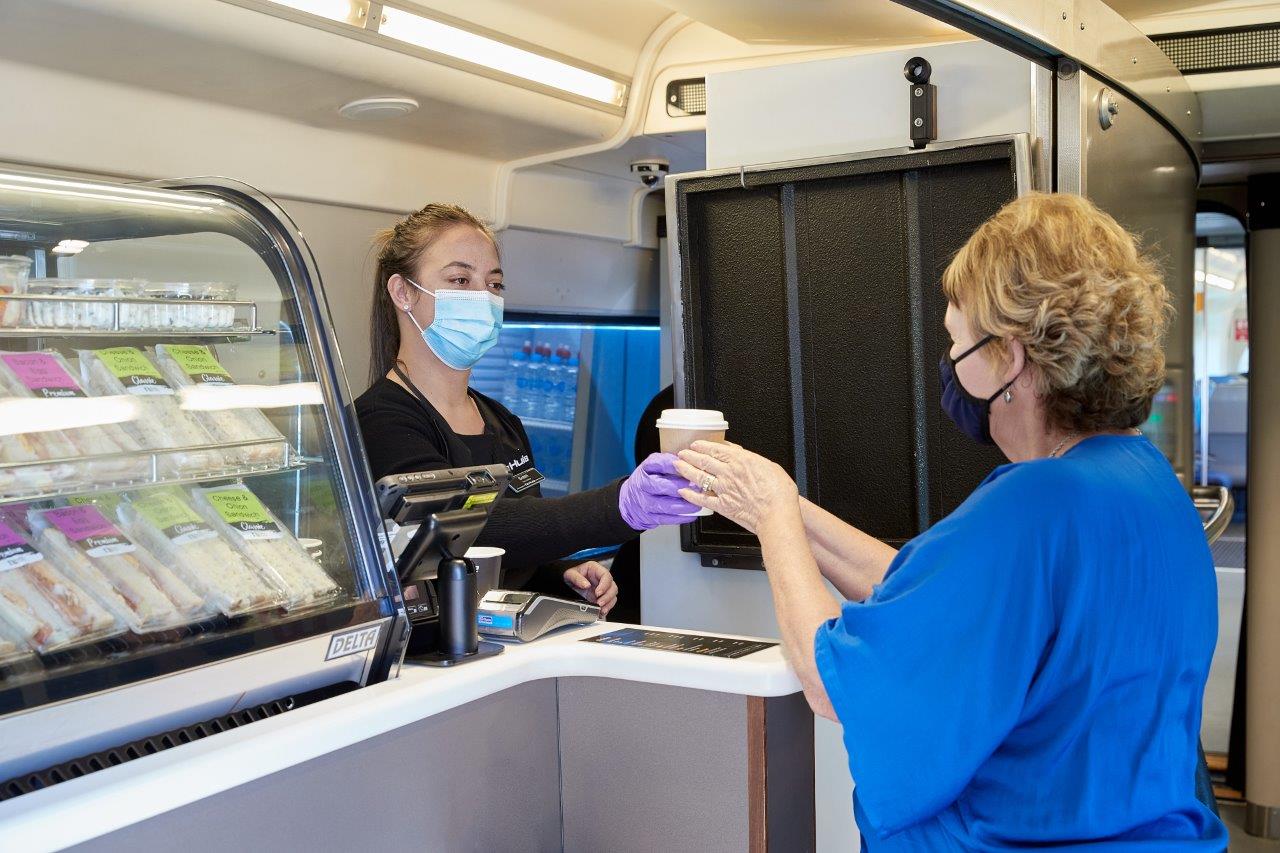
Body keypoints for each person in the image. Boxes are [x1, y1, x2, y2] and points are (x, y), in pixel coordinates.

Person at [674, 193, 1228, 849]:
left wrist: (772, 517)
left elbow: (834, 684)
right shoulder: (1143, 484)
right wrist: (778, 503)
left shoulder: (1031, 507)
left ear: (1011, 357)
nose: (952, 365)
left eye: (959, 342)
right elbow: (935, 600)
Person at [355, 204, 696, 615]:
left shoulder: (502, 422)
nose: (483, 297)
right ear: (403, 292)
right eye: (460, 280)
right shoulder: (380, 421)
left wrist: (559, 573)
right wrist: (619, 504)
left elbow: (513, 543)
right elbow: (466, 532)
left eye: (494, 284)